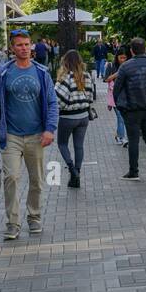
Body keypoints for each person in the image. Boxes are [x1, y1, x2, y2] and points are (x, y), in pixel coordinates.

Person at [0, 29, 59, 239]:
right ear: (12, 48)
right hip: (11, 136)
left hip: (36, 135)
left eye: (27, 45)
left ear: (31, 47)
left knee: (37, 180)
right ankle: (13, 222)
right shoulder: (3, 74)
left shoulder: (42, 73)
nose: (24, 49)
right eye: (19, 45)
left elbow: (53, 103)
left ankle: (34, 217)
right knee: (11, 177)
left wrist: (49, 129)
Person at [113, 37, 146, 182]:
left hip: (131, 109)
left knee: (133, 140)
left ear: (131, 51)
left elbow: (116, 89)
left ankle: (134, 171)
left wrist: (120, 106)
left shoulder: (125, 66)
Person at [54, 49, 95, 189]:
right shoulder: (87, 76)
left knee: (62, 144)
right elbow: (91, 97)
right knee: (79, 146)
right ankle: (77, 172)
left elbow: (58, 99)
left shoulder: (65, 77)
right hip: (83, 116)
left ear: (65, 61)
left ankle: (72, 169)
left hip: (67, 117)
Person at [105, 45, 130, 145]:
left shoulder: (129, 65)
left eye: (125, 57)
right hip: (115, 96)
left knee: (123, 118)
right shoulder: (111, 65)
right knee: (121, 117)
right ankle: (122, 137)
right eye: (121, 57)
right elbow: (106, 79)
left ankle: (118, 135)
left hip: (126, 96)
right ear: (117, 57)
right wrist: (118, 73)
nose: (123, 60)